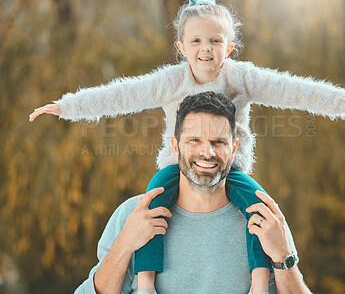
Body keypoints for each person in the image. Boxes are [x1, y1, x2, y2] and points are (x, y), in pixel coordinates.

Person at [29, 0, 345, 293]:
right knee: (152, 206)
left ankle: (259, 282)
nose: (206, 49)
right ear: (181, 47)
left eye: (214, 41)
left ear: (229, 46)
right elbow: (120, 95)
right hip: (174, 167)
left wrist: (342, 102)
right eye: (196, 41)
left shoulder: (242, 77)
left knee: (259, 211)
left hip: (232, 170)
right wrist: (66, 107)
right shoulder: (170, 82)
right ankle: (147, 281)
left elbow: (291, 89)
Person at [74, 91, 312, 294]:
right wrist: (125, 242)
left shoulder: (266, 221)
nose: (207, 152)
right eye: (194, 140)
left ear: (234, 147)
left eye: (218, 142)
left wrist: (283, 256)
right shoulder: (133, 215)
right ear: (175, 145)